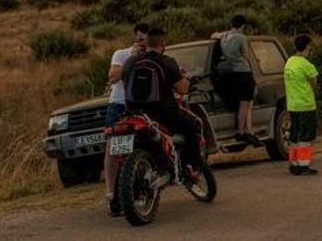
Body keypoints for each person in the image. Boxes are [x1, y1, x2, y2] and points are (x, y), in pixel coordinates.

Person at [120, 27, 204, 181]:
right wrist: (186, 78)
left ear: (146, 43)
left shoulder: (129, 62)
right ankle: (191, 168)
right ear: (163, 43)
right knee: (194, 124)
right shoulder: (167, 62)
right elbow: (183, 89)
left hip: (134, 113)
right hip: (163, 114)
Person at [104, 22, 148, 217]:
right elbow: (113, 77)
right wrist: (132, 59)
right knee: (115, 148)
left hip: (144, 105)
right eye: (140, 40)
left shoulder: (151, 57)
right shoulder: (121, 54)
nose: (142, 44)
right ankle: (112, 194)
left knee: (146, 147)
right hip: (120, 105)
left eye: (146, 41)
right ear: (134, 38)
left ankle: (143, 187)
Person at [214, 14, 262, 147]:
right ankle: (244, 130)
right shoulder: (241, 38)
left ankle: (244, 130)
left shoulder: (224, 37)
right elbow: (246, 54)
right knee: (246, 103)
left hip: (232, 73)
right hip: (243, 71)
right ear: (242, 25)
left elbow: (214, 35)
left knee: (242, 103)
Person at [284, 34, 320, 176]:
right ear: (307, 47)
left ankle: (294, 163)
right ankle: (304, 164)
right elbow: (314, 82)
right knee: (306, 136)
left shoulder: (289, 62)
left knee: (294, 135)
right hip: (305, 104)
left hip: (293, 104)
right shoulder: (306, 64)